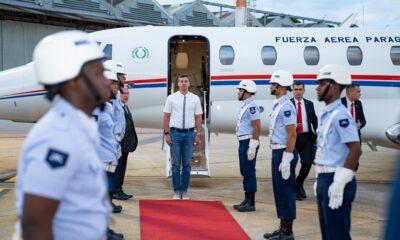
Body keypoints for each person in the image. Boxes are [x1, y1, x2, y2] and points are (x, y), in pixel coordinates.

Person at [14, 31, 110, 239]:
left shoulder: (79, 128)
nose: (107, 80)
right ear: (73, 81)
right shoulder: (58, 136)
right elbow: (35, 224)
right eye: (98, 73)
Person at [314, 64, 361, 240]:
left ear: (334, 86)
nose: (317, 88)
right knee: (328, 234)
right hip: (326, 178)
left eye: (321, 84)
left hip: (337, 178)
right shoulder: (326, 113)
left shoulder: (340, 114)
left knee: (337, 235)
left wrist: (340, 181)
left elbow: (355, 149)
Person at [264, 70, 298, 240]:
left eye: (273, 84)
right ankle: (282, 226)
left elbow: (292, 134)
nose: (270, 86)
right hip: (278, 151)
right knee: (279, 190)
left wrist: (287, 157)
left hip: (285, 151)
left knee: (286, 191)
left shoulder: (286, 107)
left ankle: (288, 231)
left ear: (280, 86)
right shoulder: (278, 104)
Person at [93, 66, 125, 240]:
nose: (118, 87)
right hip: (101, 161)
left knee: (108, 194)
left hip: (111, 159)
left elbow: (112, 133)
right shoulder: (95, 107)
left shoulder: (107, 106)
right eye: (115, 84)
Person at [163, 75, 203, 200]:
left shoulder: (195, 98)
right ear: (178, 84)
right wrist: (167, 133)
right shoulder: (171, 98)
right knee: (175, 164)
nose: (184, 83)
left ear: (189, 83)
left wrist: (198, 134)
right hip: (175, 133)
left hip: (190, 134)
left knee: (186, 164)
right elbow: (166, 116)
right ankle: (176, 190)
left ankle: (184, 191)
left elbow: (198, 117)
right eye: (181, 81)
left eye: (186, 81)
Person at [233, 80, 261, 212]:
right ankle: (247, 199)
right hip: (243, 141)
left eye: (240, 90)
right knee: (244, 170)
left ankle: (251, 202)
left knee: (249, 171)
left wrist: (252, 146)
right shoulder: (245, 105)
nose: (238, 92)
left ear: (247, 91)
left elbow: (257, 127)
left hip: (248, 142)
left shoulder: (251, 107)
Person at [290, 81, 318, 200]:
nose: (298, 92)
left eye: (300, 89)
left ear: (304, 90)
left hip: (307, 138)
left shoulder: (309, 104)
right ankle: (294, 189)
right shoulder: (288, 104)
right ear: (292, 90)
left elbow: (314, 121)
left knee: (307, 163)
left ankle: (299, 183)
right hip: (293, 137)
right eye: (295, 89)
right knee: (291, 163)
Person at [114, 87, 138, 200]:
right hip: (120, 144)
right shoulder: (117, 107)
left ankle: (119, 189)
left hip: (125, 145)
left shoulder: (125, 107)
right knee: (118, 169)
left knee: (122, 168)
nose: (126, 95)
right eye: (124, 93)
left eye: (128, 93)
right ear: (118, 94)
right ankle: (115, 191)